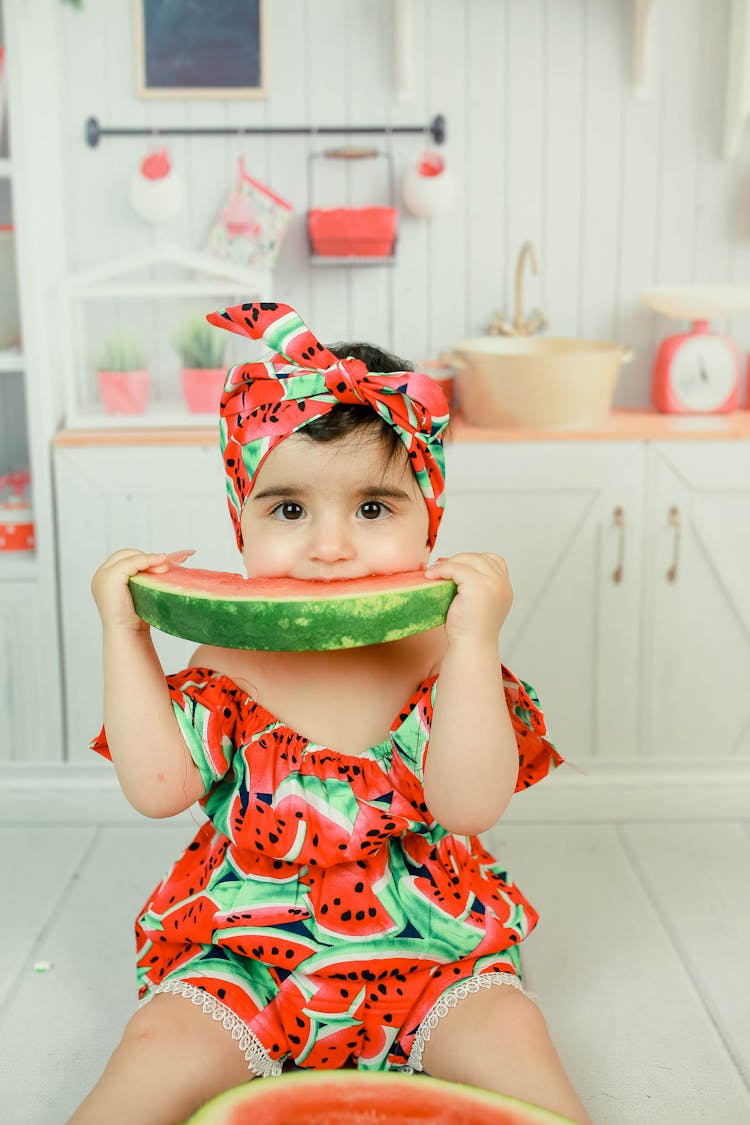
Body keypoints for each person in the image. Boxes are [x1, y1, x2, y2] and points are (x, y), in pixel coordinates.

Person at [71, 302, 591, 1125]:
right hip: (242, 952)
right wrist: (123, 634)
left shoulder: (441, 652)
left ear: (432, 519)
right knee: (154, 1047)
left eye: (374, 509)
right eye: (288, 509)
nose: (331, 546)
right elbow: (158, 786)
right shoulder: (228, 658)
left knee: (516, 1029)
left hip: (434, 954)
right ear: (239, 521)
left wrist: (475, 642)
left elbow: (470, 804)